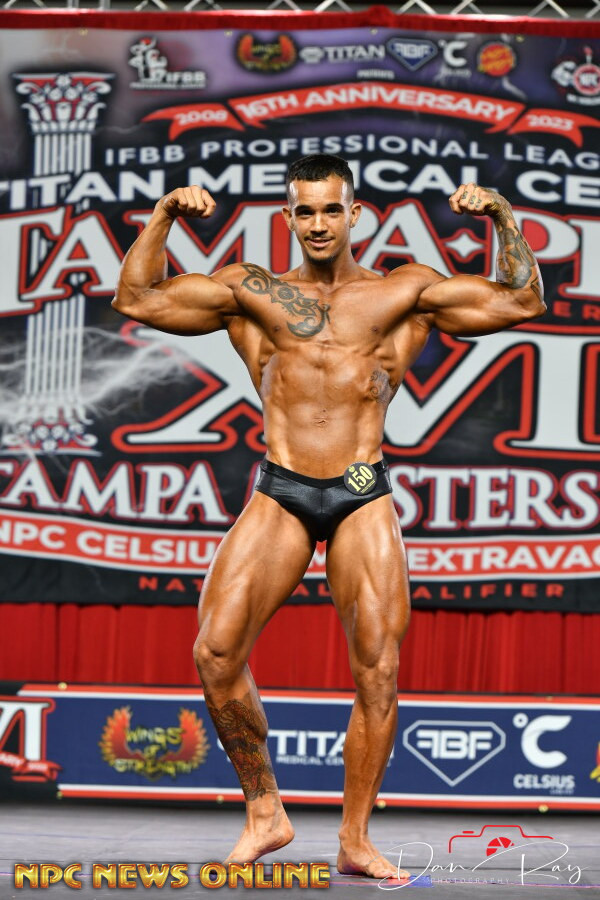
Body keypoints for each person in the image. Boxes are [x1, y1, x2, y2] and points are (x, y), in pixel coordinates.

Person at [112, 154, 545, 880]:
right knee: (215, 653)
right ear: (288, 216)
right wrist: (163, 218)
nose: (319, 223)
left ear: (355, 213)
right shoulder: (251, 290)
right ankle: (265, 811)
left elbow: (523, 302)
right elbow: (136, 300)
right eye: (305, 211)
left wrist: (502, 216)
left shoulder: (404, 290)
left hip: (360, 491)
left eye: (331, 209)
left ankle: (355, 838)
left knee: (379, 669)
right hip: (281, 487)